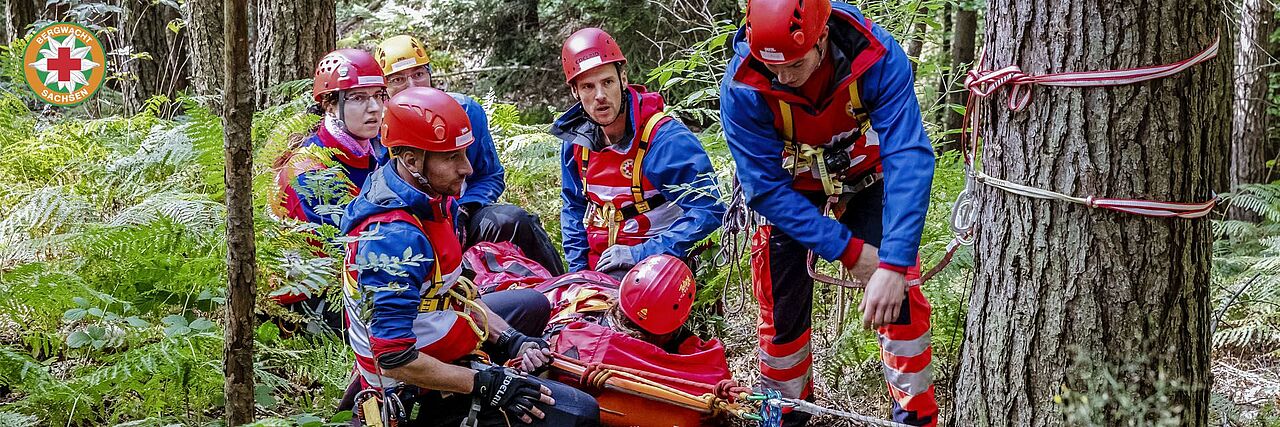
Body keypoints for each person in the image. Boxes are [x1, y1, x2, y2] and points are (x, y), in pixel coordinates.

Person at [718, 0, 938, 425]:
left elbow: (908, 156)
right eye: (772, 65)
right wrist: (850, 251)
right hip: (790, 193)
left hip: (866, 175)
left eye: (795, 65)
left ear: (821, 38)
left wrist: (892, 263)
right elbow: (763, 188)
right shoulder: (743, 84)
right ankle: (784, 416)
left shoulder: (873, 54)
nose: (783, 77)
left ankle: (916, 419)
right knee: (782, 317)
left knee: (902, 299)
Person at [340, 86, 599, 426]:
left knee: (535, 305)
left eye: (465, 153)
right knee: (579, 412)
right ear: (412, 159)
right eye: (451, 157)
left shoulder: (429, 197)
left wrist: (511, 340)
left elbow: (458, 289)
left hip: (437, 332)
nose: (467, 168)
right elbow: (394, 358)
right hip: (412, 389)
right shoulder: (394, 239)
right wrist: (489, 384)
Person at [375, 34, 565, 276]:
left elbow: (490, 176)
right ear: (384, 91)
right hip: (409, 229)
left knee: (513, 220)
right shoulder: (378, 132)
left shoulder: (464, 113)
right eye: (398, 80)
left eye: (419, 74)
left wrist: (465, 209)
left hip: (461, 215)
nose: (412, 86)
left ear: (431, 75)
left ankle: (562, 286)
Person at [552, 28, 725, 278]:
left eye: (607, 82)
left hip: (660, 263)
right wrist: (578, 275)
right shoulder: (575, 142)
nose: (600, 96)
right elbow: (573, 206)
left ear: (623, 79)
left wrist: (641, 252)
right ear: (575, 92)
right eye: (588, 87)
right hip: (600, 264)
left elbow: (709, 211)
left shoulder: (664, 139)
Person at [269, 48, 389, 328]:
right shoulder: (309, 170)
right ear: (330, 105)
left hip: (349, 283)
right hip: (310, 302)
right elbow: (346, 250)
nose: (374, 108)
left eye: (378, 95)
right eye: (359, 98)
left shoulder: (371, 150)